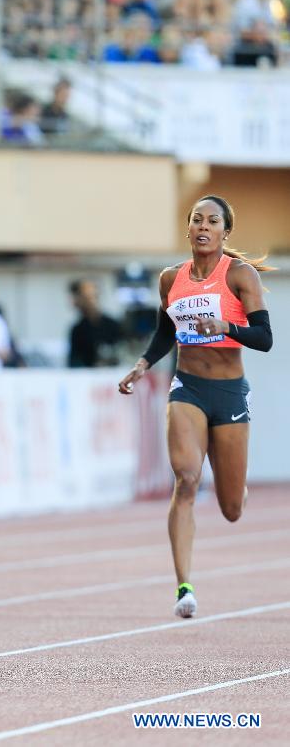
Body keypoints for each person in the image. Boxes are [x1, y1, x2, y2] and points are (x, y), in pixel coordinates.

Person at [118, 195, 273, 619]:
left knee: (231, 508)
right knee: (185, 479)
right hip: (187, 387)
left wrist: (226, 325)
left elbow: (264, 337)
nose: (204, 227)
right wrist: (142, 364)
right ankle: (184, 587)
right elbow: (164, 332)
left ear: (226, 232)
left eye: (213, 221)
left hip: (229, 393)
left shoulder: (240, 276)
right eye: (197, 220)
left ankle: (232, 483)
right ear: (187, 229)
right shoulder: (171, 279)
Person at [67, 279, 122, 368]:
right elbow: (73, 363)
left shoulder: (113, 325)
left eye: (91, 296)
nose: (90, 301)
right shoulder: (77, 330)